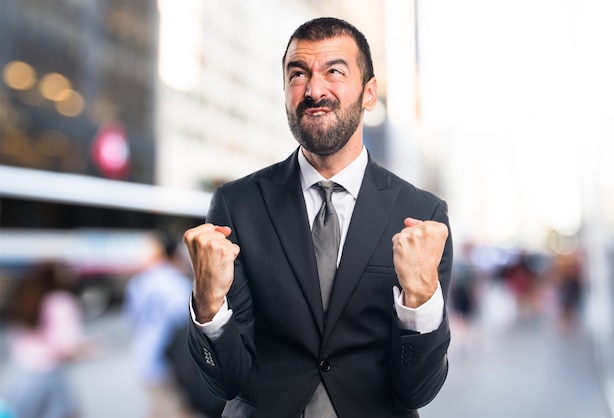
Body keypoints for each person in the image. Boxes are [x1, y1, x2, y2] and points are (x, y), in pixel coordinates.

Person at [184, 17, 453, 418]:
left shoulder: (422, 216)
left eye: (334, 71)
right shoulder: (236, 204)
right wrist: (207, 305)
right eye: (298, 74)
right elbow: (227, 382)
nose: (313, 90)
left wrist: (421, 301)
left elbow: (417, 391)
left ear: (368, 94)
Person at [125, 231, 224, 418]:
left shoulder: (137, 282)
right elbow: (187, 322)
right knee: (179, 410)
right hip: (172, 361)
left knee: (159, 407)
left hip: (144, 356)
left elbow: (132, 317)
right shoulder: (176, 282)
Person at [2, 261, 95, 418]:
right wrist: (90, 348)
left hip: (22, 372)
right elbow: (66, 346)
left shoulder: (26, 297)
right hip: (50, 374)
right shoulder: (61, 301)